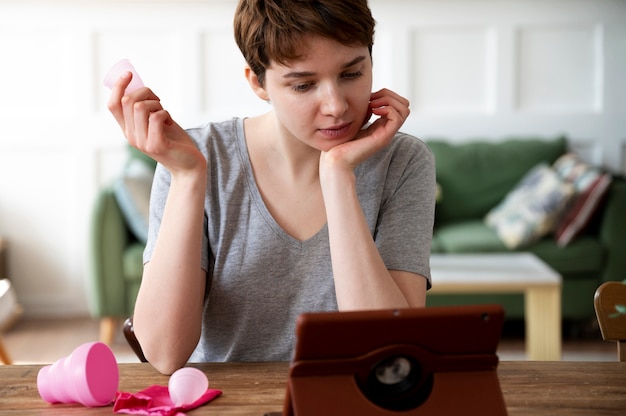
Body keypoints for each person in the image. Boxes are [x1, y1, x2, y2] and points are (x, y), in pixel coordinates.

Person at [107, 0, 435, 375]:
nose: (336, 106)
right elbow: (164, 354)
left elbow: (391, 348)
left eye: (351, 74)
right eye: (303, 84)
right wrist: (186, 178)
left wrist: (338, 176)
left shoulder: (404, 162)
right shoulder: (195, 160)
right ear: (257, 82)